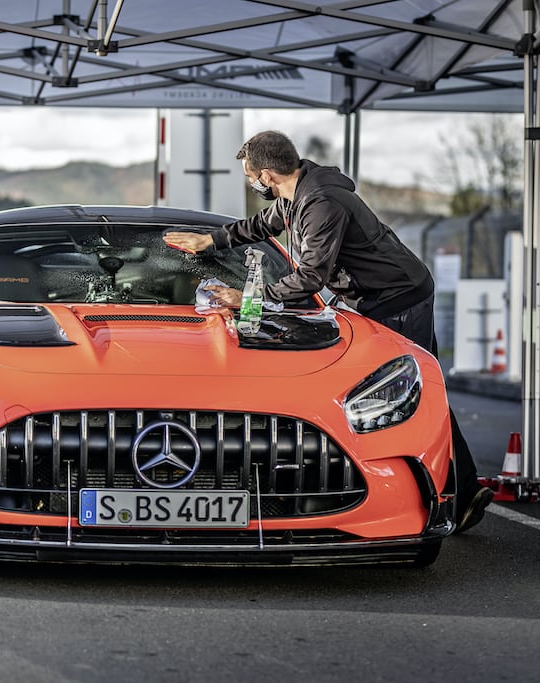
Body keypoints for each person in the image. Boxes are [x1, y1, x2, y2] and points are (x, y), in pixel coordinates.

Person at [163, 129, 493, 534]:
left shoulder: (320, 203)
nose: (252, 183)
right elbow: (258, 226)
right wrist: (209, 241)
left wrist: (245, 297)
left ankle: (446, 499)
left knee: (405, 392)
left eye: (250, 176)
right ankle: (465, 491)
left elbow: (309, 279)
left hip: (397, 298)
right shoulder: (295, 195)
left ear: (266, 175)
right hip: (374, 296)